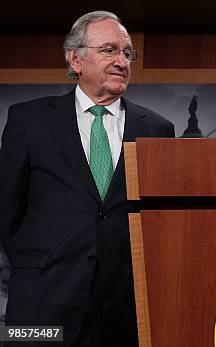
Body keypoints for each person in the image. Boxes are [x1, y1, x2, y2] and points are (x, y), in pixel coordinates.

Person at [0, 11, 174, 347]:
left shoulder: (157, 129)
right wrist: (40, 261)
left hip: (123, 307)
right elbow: (7, 210)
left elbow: (158, 221)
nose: (121, 60)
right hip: (43, 304)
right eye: (109, 50)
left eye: (127, 53)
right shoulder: (28, 119)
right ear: (75, 59)